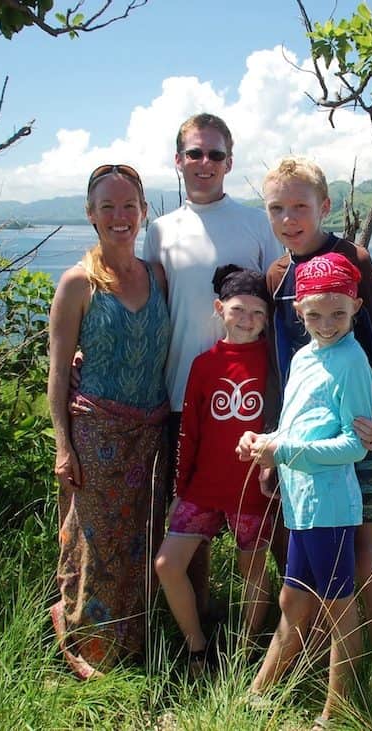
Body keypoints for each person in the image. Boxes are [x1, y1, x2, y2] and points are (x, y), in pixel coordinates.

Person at [260, 156, 372, 695]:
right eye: (278, 208)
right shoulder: (278, 276)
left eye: (301, 206)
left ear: (323, 205)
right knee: (309, 566)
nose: (290, 218)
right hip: (298, 448)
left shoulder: (352, 259)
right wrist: (277, 439)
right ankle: (320, 670)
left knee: (365, 555)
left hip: (354, 435)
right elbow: (279, 365)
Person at [143, 113, 282, 621]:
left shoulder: (253, 225)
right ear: (179, 160)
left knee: (260, 523)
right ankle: (197, 634)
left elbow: (278, 311)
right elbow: (152, 306)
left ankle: (270, 636)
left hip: (249, 402)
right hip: (180, 392)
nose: (205, 163)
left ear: (229, 161)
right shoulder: (160, 230)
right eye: (195, 153)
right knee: (191, 520)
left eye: (215, 154)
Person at [47, 163, 170, 679]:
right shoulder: (79, 283)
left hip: (152, 432)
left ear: (143, 211)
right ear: (91, 214)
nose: (119, 216)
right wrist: (63, 445)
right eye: (108, 207)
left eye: (129, 206)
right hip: (96, 430)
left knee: (142, 537)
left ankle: (133, 641)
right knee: (94, 539)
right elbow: (57, 373)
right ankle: (85, 642)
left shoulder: (158, 275)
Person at [242, 253, 372, 729]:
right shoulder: (303, 357)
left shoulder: (352, 362)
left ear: (355, 306)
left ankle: (335, 715)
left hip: (330, 508)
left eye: (338, 313)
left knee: (338, 610)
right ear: (297, 309)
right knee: (293, 601)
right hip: (300, 506)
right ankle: (259, 694)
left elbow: (355, 443)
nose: (327, 323)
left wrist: (286, 452)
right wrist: (264, 442)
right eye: (314, 313)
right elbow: (298, 425)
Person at [153, 265, 275, 673]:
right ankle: (197, 647)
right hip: (203, 487)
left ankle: (243, 653)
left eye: (259, 314)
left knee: (252, 571)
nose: (248, 320)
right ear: (220, 308)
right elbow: (190, 433)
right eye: (239, 309)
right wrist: (179, 490)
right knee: (168, 565)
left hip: (251, 490)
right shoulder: (204, 364)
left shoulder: (274, 363)